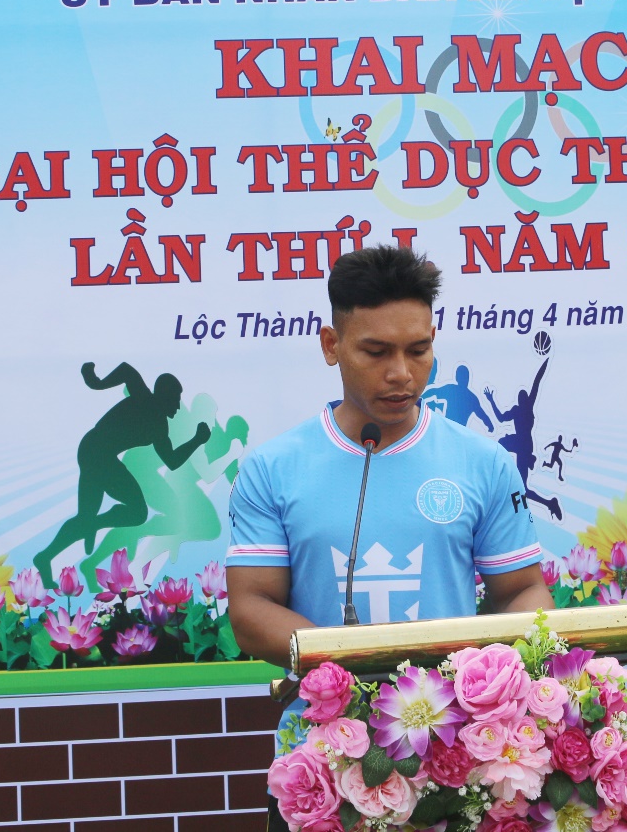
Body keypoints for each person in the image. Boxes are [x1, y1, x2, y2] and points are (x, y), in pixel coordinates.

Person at [226, 246, 551, 832]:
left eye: (418, 350)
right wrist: (344, 675)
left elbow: (524, 592)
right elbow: (251, 607)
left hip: (457, 761)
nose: (401, 373)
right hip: (322, 763)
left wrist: (488, 686)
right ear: (331, 345)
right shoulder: (274, 468)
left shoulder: (481, 462)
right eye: (376, 352)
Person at [33, 361, 210, 587]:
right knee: (137, 512)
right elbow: (127, 370)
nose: (178, 405)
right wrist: (96, 383)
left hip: (96, 452)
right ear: (164, 396)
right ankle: (92, 525)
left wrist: (197, 440)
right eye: (175, 398)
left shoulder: (160, 427)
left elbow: (172, 461)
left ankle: (46, 556)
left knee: (90, 518)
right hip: (96, 452)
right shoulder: (143, 397)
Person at [485, 359, 563, 520]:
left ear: (525, 398)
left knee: (523, 489)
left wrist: (544, 364)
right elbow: (500, 418)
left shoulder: (527, 407)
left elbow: (536, 383)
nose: (521, 398)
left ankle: (549, 503)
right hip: (519, 442)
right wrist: (491, 400)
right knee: (499, 444)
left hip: (525, 446)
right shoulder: (517, 409)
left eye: (523, 396)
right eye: (520, 397)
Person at [422, 363, 495, 431]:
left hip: (456, 431)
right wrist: (490, 426)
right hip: (450, 430)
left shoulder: (470, 398)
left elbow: (482, 415)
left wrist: (490, 426)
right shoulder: (456, 390)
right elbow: (434, 391)